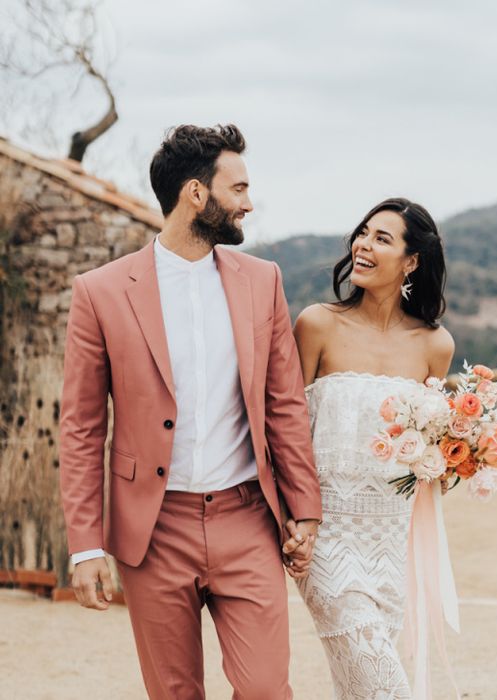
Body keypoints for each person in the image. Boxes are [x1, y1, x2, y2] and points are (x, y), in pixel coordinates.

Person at [58, 123, 321, 699]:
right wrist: (85, 547)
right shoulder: (99, 292)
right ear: (197, 195)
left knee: (266, 690)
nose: (249, 203)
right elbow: (80, 429)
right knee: (174, 693)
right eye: (240, 189)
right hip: (154, 530)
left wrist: (304, 507)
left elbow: (284, 404)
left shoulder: (263, 281)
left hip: (248, 517)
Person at [286, 198, 454, 698]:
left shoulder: (434, 344)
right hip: (325, 538)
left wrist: (460, 454)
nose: (363, 245)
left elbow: (430, 454)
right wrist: (292, 518)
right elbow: (285, 429)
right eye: (363, 233)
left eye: (382, 238)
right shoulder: (317, 324)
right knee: (385, 687)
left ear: (411, 261)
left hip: (391, 541)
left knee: (356, 688)